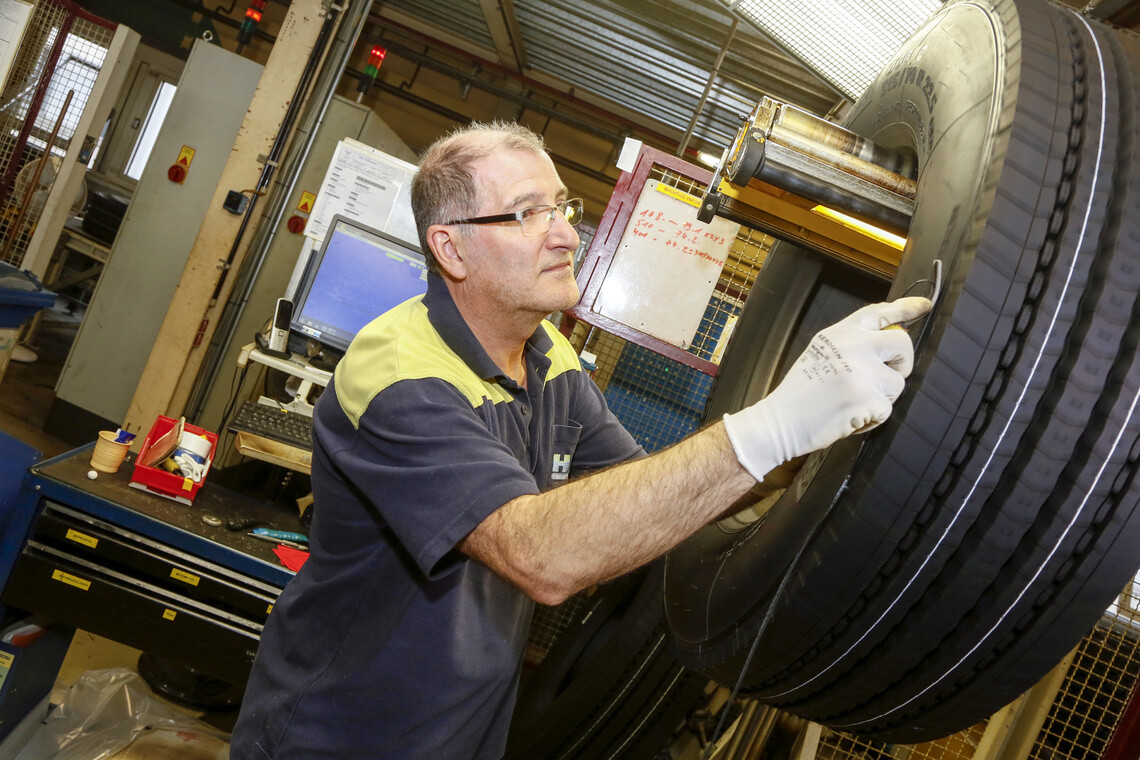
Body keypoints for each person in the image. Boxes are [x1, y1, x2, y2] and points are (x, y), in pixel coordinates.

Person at [230, 121, 931, 759]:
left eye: (561, 207)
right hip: (335, 740)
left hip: (463, 738)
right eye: (527, 213)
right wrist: (770, 426)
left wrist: (792, 458)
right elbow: (539, 554)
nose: (566, 232)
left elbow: (642, 496)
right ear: (451, 247)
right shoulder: (399, 374)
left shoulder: (550, 358)